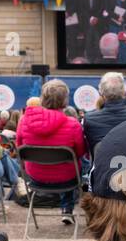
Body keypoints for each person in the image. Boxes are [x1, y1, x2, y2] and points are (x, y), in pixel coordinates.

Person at [16, 80, 86, 224]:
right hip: (66, 179)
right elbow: (80, 152)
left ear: (42, 99)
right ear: (65, 101)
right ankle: (67, 209)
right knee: (76, 166)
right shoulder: (73, 124)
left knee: (67, 166)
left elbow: (19, 147)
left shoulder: (24, 121)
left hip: (35, 177)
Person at [82, 71, 126, 158]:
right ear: (125, 91)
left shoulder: (89, 119)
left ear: (101, 92)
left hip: (102, 170)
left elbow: (86, 151)